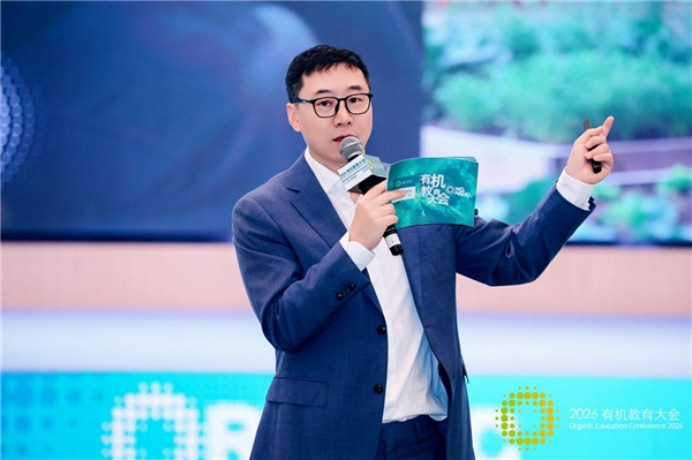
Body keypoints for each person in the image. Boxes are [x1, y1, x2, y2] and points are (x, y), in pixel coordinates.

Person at [231, 44, 614, 460]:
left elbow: (513, 258)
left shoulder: (417, 190)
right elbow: (284, 324)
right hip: (325, 440)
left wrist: (575, 183)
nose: (343, 116)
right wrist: (355, 245)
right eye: (325, 103)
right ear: (294, 115)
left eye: (355, 100)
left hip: (426, 440)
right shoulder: (264, 210)